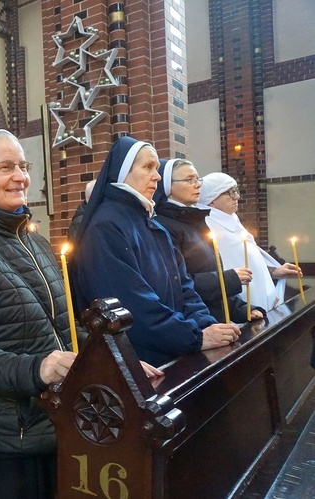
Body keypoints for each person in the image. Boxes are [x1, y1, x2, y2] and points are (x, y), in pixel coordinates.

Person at [0, 129, 162, 499]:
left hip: (56, 421)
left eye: (23, 165)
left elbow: (64, 327)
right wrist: (38, 369)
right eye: (5, 167)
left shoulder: (33, 240)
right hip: (4, 442)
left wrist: (119, 363)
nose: (20, 176)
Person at [73, 136, 241, 367]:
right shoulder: (107, 227)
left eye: (158, 169)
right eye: (148, 167)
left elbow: (184, 286)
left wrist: (205, 324)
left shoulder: (153, 224)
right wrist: (193, 336)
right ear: (123, 172)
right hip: (147, 361)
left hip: (176, 349)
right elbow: (132, 305)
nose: (157, 176)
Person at [153, 160, 264, 323]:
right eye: (189, 180)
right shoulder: (163, 227)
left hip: (214, 320)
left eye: (198, 179)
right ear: (167, 186)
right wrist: (229, 279)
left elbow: (212, 270)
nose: (197, 185)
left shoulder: (195, 221)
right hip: (193, 323)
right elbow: (175, 283)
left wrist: (241, 308)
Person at [199, 172, 301, 311]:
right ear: (211, 200)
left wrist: (274, 271)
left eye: (236, 190)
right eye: (230, 192)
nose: (237, 196)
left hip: (258, 299)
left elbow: (249, 260)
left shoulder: (232, 219)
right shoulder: (208, 225)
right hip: (238, 306)